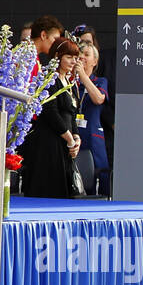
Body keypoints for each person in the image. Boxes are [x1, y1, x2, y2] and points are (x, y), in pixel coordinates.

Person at [18, 37, 82, 198]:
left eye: (75, 58)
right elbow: (50, 112)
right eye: (69, 57)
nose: (73, 61)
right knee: (49, 190)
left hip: (65, 145)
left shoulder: (69, 81)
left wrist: (76, 138)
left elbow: (72, 113)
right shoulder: (48, 78)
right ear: (57, 56)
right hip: (48, 146)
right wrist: (69, 139)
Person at [76, 41, 109, 196]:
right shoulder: (70, 83)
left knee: (98, 175)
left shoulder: (100, 82)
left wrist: (83, 75)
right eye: (80, 54)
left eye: (87, 55)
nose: (82, 57)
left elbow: (98, 99)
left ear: (95, 61)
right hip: (73, 136)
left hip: (92, 137)